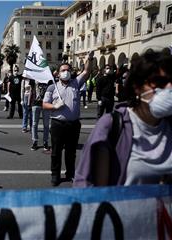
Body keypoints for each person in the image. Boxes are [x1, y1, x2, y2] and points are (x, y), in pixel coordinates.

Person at [74, 50, 172, 187]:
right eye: (159, 82)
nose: (169, 87)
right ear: (137, 87)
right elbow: (89, 188)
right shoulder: (112, 126)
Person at [43, 53, 92, 186]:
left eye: (67, 70)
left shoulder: (76, 83)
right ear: (58, 74)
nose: (66, 72)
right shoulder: (52, 87)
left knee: (71, 152)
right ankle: (55, 175)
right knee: (56, 152)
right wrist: (54, 106)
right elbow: (44, 104)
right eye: (63, 70)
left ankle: (70, 173)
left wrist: (89, 59)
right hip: (58, 124)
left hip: (74, 124)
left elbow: (87, 71)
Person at [31, 80, 51, 151]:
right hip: (35, 104)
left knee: (46, 125)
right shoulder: (34, 79)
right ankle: (35, 141)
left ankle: (45, 142)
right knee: (34, 124)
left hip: (46, 104)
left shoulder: (49, 79)